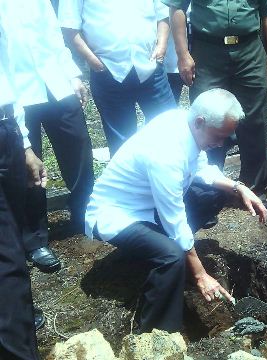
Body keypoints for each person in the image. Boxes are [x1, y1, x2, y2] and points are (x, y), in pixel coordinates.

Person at [85, 89, 267, 332]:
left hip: (150, 206)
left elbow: (201, 169)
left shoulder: (186, 122)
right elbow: (174, 220)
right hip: (117, 215)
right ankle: (156, 332)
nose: (221, 143)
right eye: (219, 136)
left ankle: (149, 251)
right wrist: (201, 275)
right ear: (201, 122)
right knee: (171, 256)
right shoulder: (166, 153)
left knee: (213, 193)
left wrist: (238, 187)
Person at [164, 0, 267, 217]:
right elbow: (177, 8)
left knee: (255, 120)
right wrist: (182, 54)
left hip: (250, 51)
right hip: (207, 51)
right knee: (208, 119)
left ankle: (254, 190)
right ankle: (209, 195)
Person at [3, 0, 95, 273]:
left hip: (55, 83)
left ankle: (86, 212)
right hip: (18, 93)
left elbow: (53, 37)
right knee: (30, 167)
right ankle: (34, 238)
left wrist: (73, 74)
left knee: (78, 147)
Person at [58, 0, 177, 155]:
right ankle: (130, 178)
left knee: (167, 130)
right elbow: (69, 27)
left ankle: (166, 175)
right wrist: (93, 61)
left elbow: (163, 14)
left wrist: (161, 45)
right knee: (122, 144)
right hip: (108, 71)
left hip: (151, 68)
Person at [0, 4, 48, 357]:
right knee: (8, 259)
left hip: (5, 131)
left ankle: (17, 323)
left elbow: (6, 74)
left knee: (10, 242)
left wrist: (25, 144)